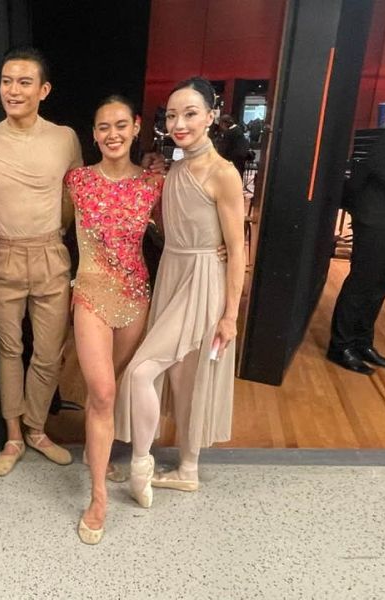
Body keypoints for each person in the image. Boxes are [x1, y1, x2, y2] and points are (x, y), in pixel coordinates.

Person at [115, 77, 245, 509]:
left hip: (203, 276)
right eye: (172, 115)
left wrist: (230, 315)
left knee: (145, 372)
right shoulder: (177, 166)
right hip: (174, 269)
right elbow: (171, 227)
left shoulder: (222, 173)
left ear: (211, 116)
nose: (179, 122)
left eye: (190, 113)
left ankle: (147, 464)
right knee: (180, 375)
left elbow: (238, 248)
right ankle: (187, 467)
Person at [0, 47, 82, 475]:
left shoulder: (65, 137)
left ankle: (36, 429)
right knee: (8, 350)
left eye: (24, 82)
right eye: (7, 81)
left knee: (47, 353)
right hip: (2, 258)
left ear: (43, 90)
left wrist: (55, 237)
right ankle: (13, 435)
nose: (13, 90)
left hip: (51, 254)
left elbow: (74, 195)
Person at [65, 95, 163, 544]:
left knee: (115, 388)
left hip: (135, 296)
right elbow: (55, 226)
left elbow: (181, 229)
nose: (112, 134)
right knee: (101, 392)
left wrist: (217, 249)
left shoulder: (152, 185)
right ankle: (99, 494)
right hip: (90, 292)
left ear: (136, 126)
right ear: (94, 133)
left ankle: (97, 451)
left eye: (121, 125)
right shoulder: (78, 181)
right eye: (103, 127)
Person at [327, 120, 385, 375]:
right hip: (376, 216)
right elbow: (378, 162)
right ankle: (340, 346)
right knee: (363, 281)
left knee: (382, 283)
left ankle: (362, 343)